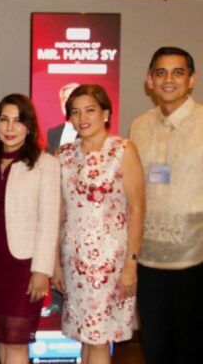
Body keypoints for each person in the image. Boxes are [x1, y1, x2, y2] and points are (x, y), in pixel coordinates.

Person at [52, 84, 145, 364]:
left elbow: (138, 207)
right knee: (85, 335)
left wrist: (131, 263)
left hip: (109, 263)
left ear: (105, 113)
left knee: (99, 337)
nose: (83, 118)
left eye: (90, 110)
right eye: (76, 112)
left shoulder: (122, 150)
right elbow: (60, 212)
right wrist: (55, 262)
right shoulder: (64, 154)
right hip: (74, 261)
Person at [130, 47, 203, 364]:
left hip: (195, 260)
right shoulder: (139, 126)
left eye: (178, 72)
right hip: (147, 261)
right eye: (161, 73)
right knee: (156, 348)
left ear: (192, 80)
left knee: (192, 347)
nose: (168, 79)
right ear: (149, 80)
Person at [0, 94, 60, 364]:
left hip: (24, 267)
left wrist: (41, 271)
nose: (10, 128)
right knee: (2, 339)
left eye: (18, 121)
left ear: (29, 127)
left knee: (16, 342)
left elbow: (49, 220)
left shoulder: (45, 164)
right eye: (4, 120)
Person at [46, 82, 79, 153]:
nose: (67, 103)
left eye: (71, 99)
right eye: (64, 100)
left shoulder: (90, 131)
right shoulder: (52, 133)